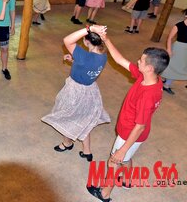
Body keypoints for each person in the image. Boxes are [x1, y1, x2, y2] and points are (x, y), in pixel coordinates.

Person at [87, 34, 169, 202]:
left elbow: (140, 126)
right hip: (131, 133)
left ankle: (105, 193)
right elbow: (120, 60)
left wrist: (123, 148)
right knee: (126, 158)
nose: (138, 61)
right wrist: (107, 39)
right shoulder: (147, 77)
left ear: (149, 68)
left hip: (129, 133)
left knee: (114, 161)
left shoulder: (147, 95)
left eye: (141, 60)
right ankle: (127, 180)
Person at [41, 25, 110, 162]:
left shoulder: (84, 55)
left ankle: (67, 143)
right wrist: (74, 61)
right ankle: (87, 151)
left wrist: (89, 28)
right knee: (84, 118)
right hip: (90, 91)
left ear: (86, 41)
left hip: (75, 91)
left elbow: (67, 40)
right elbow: (87, 66)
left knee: (69, 118)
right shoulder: (103, 56)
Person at [161, 8, 187, 95]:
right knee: (175, 67)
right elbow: (169, 38)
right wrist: (169, 49)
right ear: (186, 15)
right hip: (178, 48)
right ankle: (166, 85)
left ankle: (166, 81)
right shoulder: (178, 25)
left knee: (179, 66)